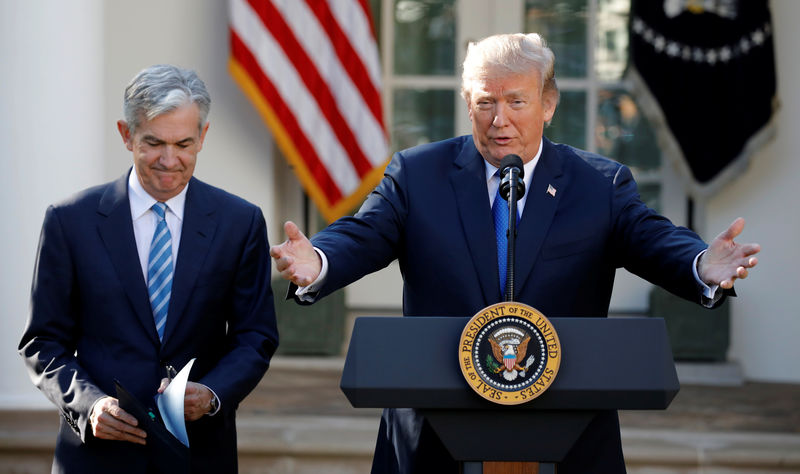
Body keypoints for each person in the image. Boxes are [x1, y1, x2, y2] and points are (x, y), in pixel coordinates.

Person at [270, 33, 760, 473]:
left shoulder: (598, 184)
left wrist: (701, 265)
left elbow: (652, 238)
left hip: (567, 430)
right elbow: (363, 233)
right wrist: (320, 262)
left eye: (516, 101)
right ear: (467, 104)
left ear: (548, 104)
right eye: (485, 102)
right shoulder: (418, 175)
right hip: (434, 436)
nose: (499, 120)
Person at [19, 64, 279, 473]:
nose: (169, 160)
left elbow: (256, 336)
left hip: (199, 455)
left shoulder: (240, 222)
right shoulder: (70, 221)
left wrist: (212, 393)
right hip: (96, 458)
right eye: (154, 142)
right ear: (127, 135)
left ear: (203, 137)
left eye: (184, 144)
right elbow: (42, 342)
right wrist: (90, 404)